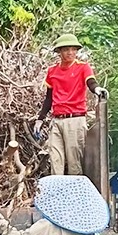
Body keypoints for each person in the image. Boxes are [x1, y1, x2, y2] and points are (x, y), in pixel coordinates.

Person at [33, 34, 107, 176]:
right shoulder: (52, 71)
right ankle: (57, 195)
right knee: (55, 160)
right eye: (66, 49)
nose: (70, 53)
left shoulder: (83, 67)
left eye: (73, 49)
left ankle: (74, 196)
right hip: (57, 120)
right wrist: (40, 119)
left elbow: (91, 82)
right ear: (59, 52)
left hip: (75, 120)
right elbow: (49, 98)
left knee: (75, 163)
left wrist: (97, 90)